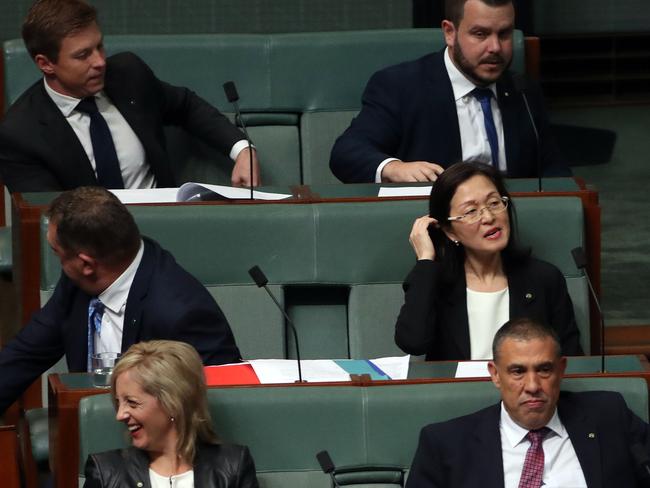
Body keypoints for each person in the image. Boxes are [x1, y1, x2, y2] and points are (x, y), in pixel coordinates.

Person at [0, 187, 241, 414]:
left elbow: (213, 406)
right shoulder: (78, 284)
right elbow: (25, 354)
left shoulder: (183, 313)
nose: (58, 262)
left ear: (86, 264)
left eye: (57, 253)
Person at [0, 0, 260, 193]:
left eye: (99, 46)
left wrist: (242, 149)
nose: (100, 61)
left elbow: (186, 106)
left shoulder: (128, 75)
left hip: (169, 232)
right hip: (94, 254)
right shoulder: (21, 134)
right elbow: (48, 220)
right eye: (83, 55)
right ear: (46, 63)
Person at [329, 0, 570, 183]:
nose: (495, 47)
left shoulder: (523, 91)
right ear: (450, 33)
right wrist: (394, 168)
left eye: (504, 34)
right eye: (480, 34)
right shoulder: (400, 87)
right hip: (433, 226)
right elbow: (346, 154)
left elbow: (553, 169)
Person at [406, 318, 650, 487]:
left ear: (561, 369)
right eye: (517, 372)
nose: (533, 386)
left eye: (544, 370)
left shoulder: (608, 416)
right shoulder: (446, 444)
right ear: (495, 374)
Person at [394, 162, 582, 360]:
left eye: (494, 203)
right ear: (449, 230)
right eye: (471, 211)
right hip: (458, 391)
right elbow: (413, 342)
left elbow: (569, 360)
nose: (489, 217)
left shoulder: (544, 279)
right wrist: (425, 259)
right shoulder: (435, 283)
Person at [84, 340, 259, 488]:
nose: (120, 415)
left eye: (132, 402)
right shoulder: (106, 472)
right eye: (118, 403)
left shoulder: (233, 466)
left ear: (172, 402)